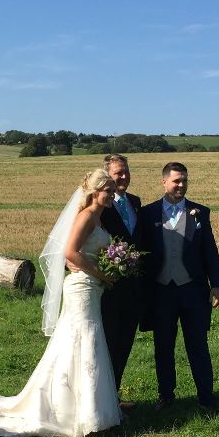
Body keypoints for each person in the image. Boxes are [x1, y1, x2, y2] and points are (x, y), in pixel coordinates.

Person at [0, 169, 123, 437]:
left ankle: (87, 409)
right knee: (81, 341)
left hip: (92, 288)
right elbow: (70, 253)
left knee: (87, 341)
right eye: (108, 190)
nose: (112, 195)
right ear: (94, 192)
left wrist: (113, 265)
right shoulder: (87, 216)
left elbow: (87, 253)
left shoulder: (99, 220)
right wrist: (102, 274)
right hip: (81, 287)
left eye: (113, 190)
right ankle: (72, 412)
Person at [137, 161, 219, 413]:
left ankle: (206, 399)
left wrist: (216, 284)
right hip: (161, 291)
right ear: (164, 181)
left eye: (185, 180)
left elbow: (210, 250)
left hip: (193, 290)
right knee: (163, 346)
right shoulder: (148, 213)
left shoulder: (200, 212)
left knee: (198, 345)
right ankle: (166, 396)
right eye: (176, 180)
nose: (181, 185)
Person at [99, 154, 144, 409]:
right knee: (107, 344)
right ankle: (102, 400)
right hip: (109, 288)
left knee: (124, 344)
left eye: (126, 172)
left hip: (133, 289)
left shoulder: (136, 202)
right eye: (118, 173)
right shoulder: (101, 204)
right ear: (108, 175)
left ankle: (112, 396)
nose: (123, 177)